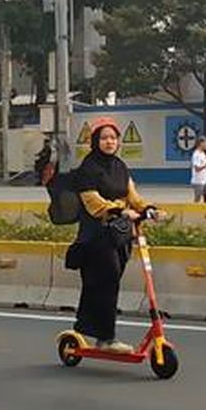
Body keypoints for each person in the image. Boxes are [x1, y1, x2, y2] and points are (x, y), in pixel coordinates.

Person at [66, 117, 157, 353]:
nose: (109, 142)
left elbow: (132, 195)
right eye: (104, 138)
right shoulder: (88, 168)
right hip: (96, 236)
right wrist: (118, 210)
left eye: (113, 138)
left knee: (106, 282)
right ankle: (106, 338)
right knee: (107, 279)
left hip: (119, 234)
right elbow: (92, 202)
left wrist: (146, 209)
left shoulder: (120, 167)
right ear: (95, 141)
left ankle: (87, 326)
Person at [190, 136, 206, 203]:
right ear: (201, 143)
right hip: (198, 181)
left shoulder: (203, 153)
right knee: (197, 199)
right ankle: (194, 211)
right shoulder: (196, 155)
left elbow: (204, 164)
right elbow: (197, 168)